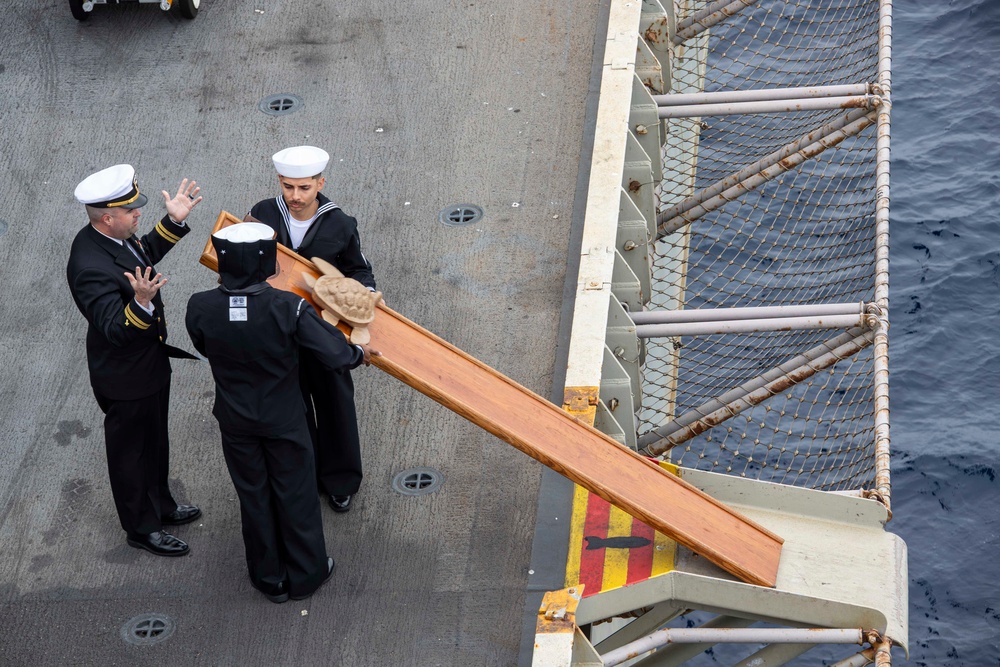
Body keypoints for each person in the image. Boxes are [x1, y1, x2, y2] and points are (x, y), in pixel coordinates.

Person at [185, 222, 376, 603]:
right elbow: (335, 353)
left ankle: (268, 577)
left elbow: (204, 345)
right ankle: (307, 574)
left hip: (235, 420)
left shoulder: (200, 305)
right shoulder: (289, 307)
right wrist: (359, 353)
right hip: (283, 418)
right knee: (296, 493)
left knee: (253, 495)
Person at [66, 164, 203, 557]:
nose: (138, 214)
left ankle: (161, 504)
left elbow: (142, 253)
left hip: (150, 364)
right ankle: (141, 528)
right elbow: (113, 328)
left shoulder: (113, 238)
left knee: (155, 441)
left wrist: (173, 222)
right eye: (131, 212)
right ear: (108, 217)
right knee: (130, 454)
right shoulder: (89, 267)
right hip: (125, 378)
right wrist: (142, 303)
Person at [246, 145, 376, 513]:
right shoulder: (261, 215)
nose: (295, 196)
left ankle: (341, 481)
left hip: (324, 334)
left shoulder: (341, 223)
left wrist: (362, 293)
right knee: (292, 410)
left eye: (304, 188)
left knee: (336, 405)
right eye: (288, 187)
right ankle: (304, 477)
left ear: (321, 182)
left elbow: (359, 269)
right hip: (277, 332)